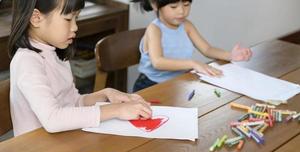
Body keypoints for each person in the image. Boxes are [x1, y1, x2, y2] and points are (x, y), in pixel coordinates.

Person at [8, 0, 152, 136]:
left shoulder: (55, 51)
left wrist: (106, 94)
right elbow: (53, 119)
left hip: (63, 142)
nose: (75, 27)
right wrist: (116, 110)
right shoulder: (27, 61)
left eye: (76, 18)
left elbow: (73, 102)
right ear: (36, 18)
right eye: (68, 19)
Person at [131, 0, 252, 92]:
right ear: (155, 4)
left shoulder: (186, 25)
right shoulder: (154, 29)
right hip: (151, 85)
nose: (181, 11)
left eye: (186, 4)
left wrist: (230, 55)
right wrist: (193, 63)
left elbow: (207, 49)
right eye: (173, 6)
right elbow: (158, 62)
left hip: (178, 82)